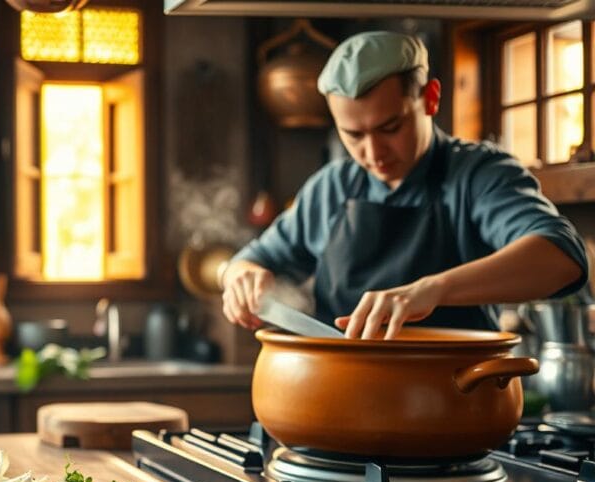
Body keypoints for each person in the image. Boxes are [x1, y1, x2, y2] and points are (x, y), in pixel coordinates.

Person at [221, 30, 588, 340]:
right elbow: (251, 261)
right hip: (337, 402)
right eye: (353, 135)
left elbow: (562, 259)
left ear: (430, 98)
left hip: (454, 402)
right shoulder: (330, 188)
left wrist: (431, 289)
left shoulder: (479, 174)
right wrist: (243, 278)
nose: (373, 152)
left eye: (390, 128)